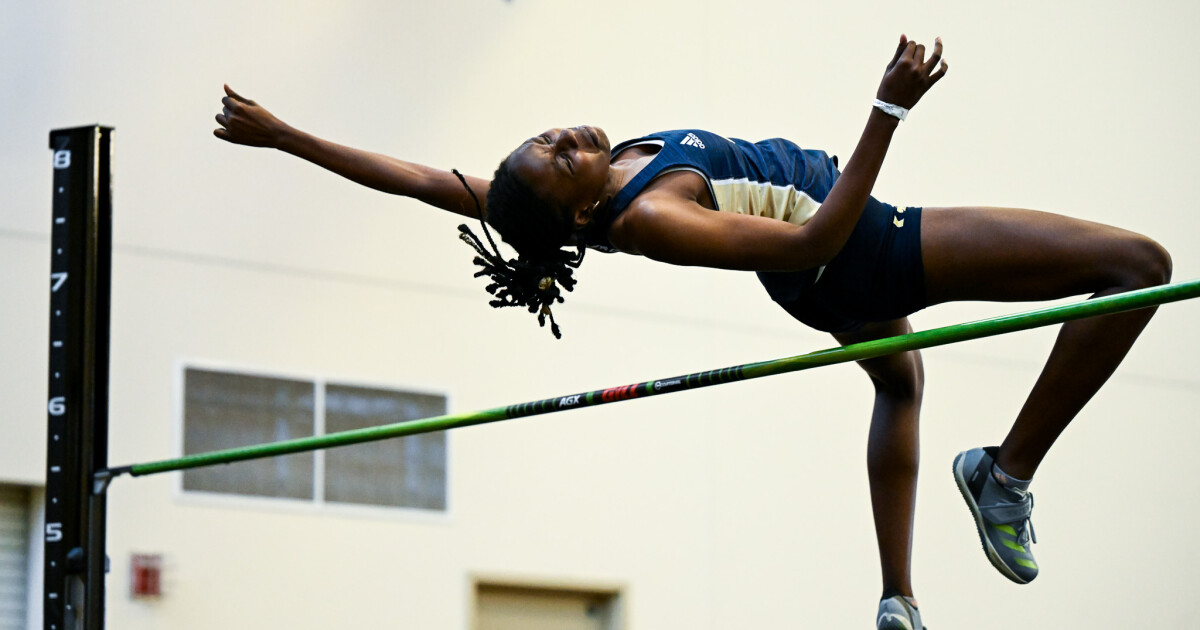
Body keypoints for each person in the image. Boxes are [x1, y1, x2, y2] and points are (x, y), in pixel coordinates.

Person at [214, 36, 1171, 630]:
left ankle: (898, 599)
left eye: (548, 137)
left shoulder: (586, 188)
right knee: (1134, 268)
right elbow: (815, 235)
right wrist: (885, 113)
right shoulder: (647, 218)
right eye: (560, 158)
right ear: (579, 215)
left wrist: (286, 135)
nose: (565, 139)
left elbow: (421, 180)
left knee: (901, 386)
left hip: (816, 283)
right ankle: (1003, 476)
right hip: (859, 249)